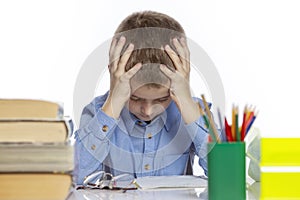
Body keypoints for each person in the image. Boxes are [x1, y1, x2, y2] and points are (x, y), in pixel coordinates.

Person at [74, 10, 214, 185]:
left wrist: (186, 102)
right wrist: (114, 102)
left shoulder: (196, 112)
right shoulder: (97, 113)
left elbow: (225, 176)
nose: (147, 111)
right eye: (135, 98)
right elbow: (76, 178)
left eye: (161, 99)